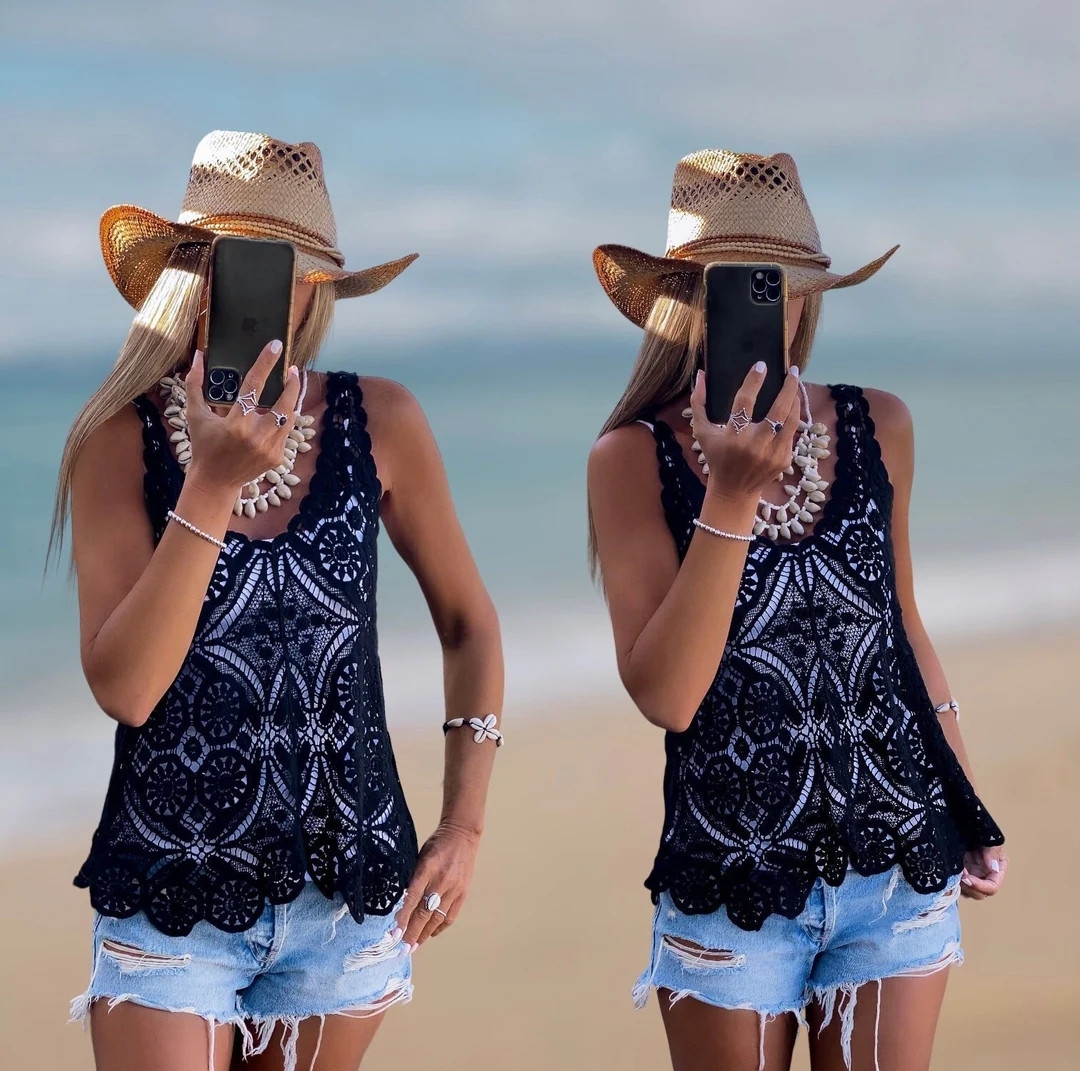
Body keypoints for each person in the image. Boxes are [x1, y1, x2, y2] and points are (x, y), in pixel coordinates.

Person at [55, 130, 504, 1071]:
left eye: (284, 270)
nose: (259, 293)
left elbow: (468, 623)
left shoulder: (383, 421)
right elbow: (127, 688)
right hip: (169, 895)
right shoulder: (115, 440)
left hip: (349, 906)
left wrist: (464, 823)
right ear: (190, 276)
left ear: (315, 288)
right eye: (232, 264)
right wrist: (211, 484)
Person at [587, 149, 1006, 1071]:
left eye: (772, 283)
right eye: (729, 284)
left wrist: (965, 795)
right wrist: (731, 496)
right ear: (688, 299)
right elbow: (669, 695)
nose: (755, 305)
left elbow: (902, 627)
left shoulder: (878, 423)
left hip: (898, 855)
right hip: (732, 879)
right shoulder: (629, 458)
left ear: (805, 295)